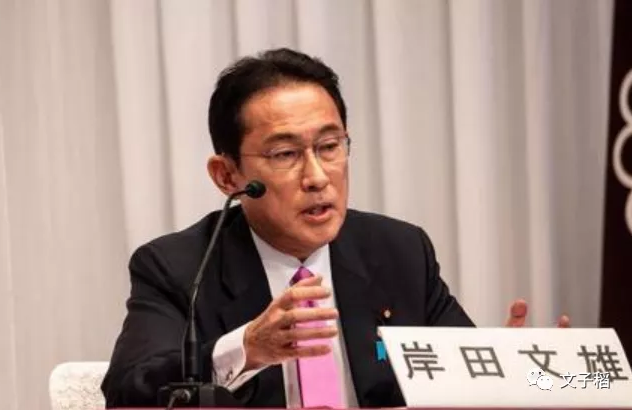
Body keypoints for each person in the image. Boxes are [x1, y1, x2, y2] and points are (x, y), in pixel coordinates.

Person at [101, 47, 569, 408]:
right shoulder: (179, 267)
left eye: (329, 146)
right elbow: (126, 393)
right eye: (285, 154)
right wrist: (247, 348)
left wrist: (511, 368)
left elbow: (455, 377)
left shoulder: (400, 250)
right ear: (228, 176)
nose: (317, 177)